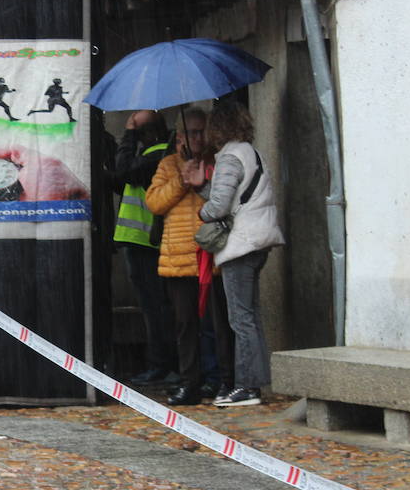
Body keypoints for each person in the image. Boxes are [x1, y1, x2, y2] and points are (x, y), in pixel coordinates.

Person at [185, 99, 284, 407]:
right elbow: (235, 196)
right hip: (258, 239)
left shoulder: (230, 157)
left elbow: (219, 206)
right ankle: (254, 383)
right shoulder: (251, 153)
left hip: (242, 243)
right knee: (250, 317)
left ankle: (246, 387)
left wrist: (201, 213)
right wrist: (202, 186)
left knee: (240, 318)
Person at [145, 108, 234, 405]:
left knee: (218, 325)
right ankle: (189, 383)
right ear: (180, 136)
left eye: (201, 131)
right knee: (185, 326)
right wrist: (181, 181)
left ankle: (223, 380)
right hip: (179, 257)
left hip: (212, 254)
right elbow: (154, 203)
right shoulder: (168, 164)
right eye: (191, 132)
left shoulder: (218, 161)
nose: (197, 138)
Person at [112, 109, 177, 385]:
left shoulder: (157, 155)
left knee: (156, 308)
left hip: (147, 242)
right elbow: (121, 180)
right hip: (140, 241)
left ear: (147, 133)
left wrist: (127, 134)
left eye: (137, 133)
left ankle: (162, 365)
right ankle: (162, 364)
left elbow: (124, 171)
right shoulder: (152, 155)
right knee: (154, 307)